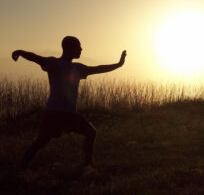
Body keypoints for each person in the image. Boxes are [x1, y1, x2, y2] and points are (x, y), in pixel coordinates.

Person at [12, 36, 126, 173]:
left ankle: (88, 166)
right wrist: (19, 52)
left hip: (69, 114)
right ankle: (22, 168)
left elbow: (98, 68)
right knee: (41, 142)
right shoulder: (54, 63)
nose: (81, 49)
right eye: (78, 47)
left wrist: (119, 64)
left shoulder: (78, 68)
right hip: (54, 113)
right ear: (69, 48)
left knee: (91, 132)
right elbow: (36, 58)